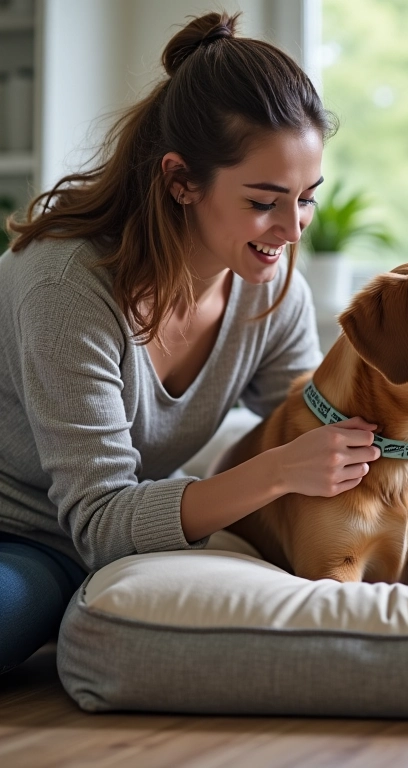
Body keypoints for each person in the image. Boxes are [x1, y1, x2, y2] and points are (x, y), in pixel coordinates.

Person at [0, 11, 381, 674]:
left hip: (78, 543)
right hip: (24, 534)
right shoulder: (67, 285)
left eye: (306, 199)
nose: (293, 230)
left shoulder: (271, 292)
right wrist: (277, 469)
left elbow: (319, 421)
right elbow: (98, 524)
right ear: (180, 180)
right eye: (265, 201)